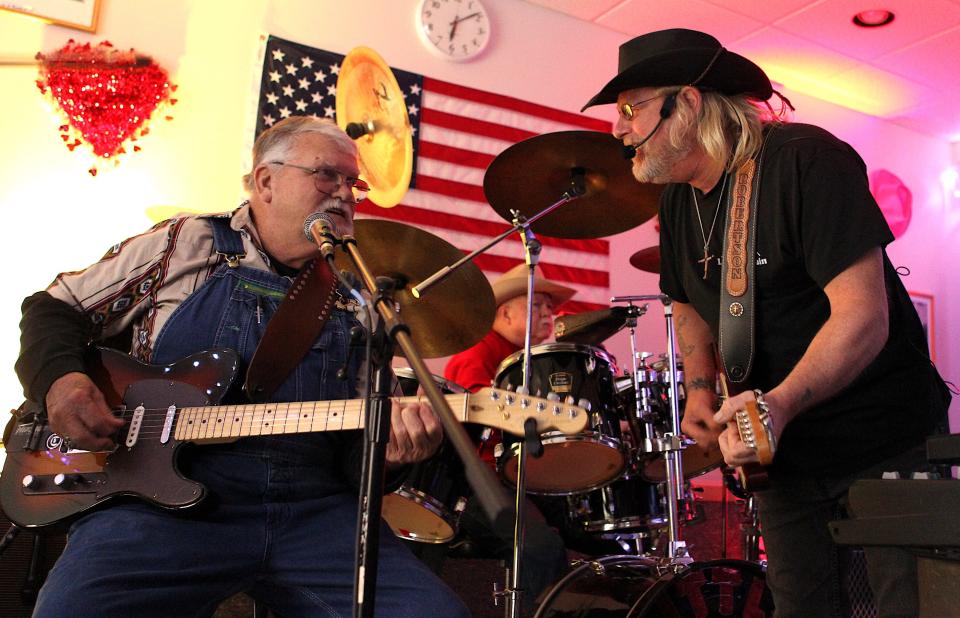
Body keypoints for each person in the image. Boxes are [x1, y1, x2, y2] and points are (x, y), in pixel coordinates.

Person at [14, 116, 470, 617]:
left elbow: (350, 457)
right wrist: (62, 381)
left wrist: (394, 453)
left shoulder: (359, 297)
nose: (344, 193)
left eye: (352, 183)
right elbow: (54, 308)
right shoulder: (188, 242)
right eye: (325, 175)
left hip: (314, 510)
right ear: (266, 181)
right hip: (157, 504)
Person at [583, 28, 950, 618]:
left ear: (690, 104)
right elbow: (688, 302)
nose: (617, 128)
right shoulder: (679, 199)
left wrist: (779, 402)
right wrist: (700, 388)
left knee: (907, 607)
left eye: (631, 108)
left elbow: (863, 315)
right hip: (784, 453)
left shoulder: (807, 161)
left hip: (881, 435)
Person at [441, 263, 574, 610]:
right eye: (537, 306)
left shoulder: (525, 361)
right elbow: (481, 415)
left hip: (515, 479)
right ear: (505, 313)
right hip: (470, 485)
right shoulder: (479, 352)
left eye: (550, 308)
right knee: (538, 546)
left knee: (595, 528)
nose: (549, 314)